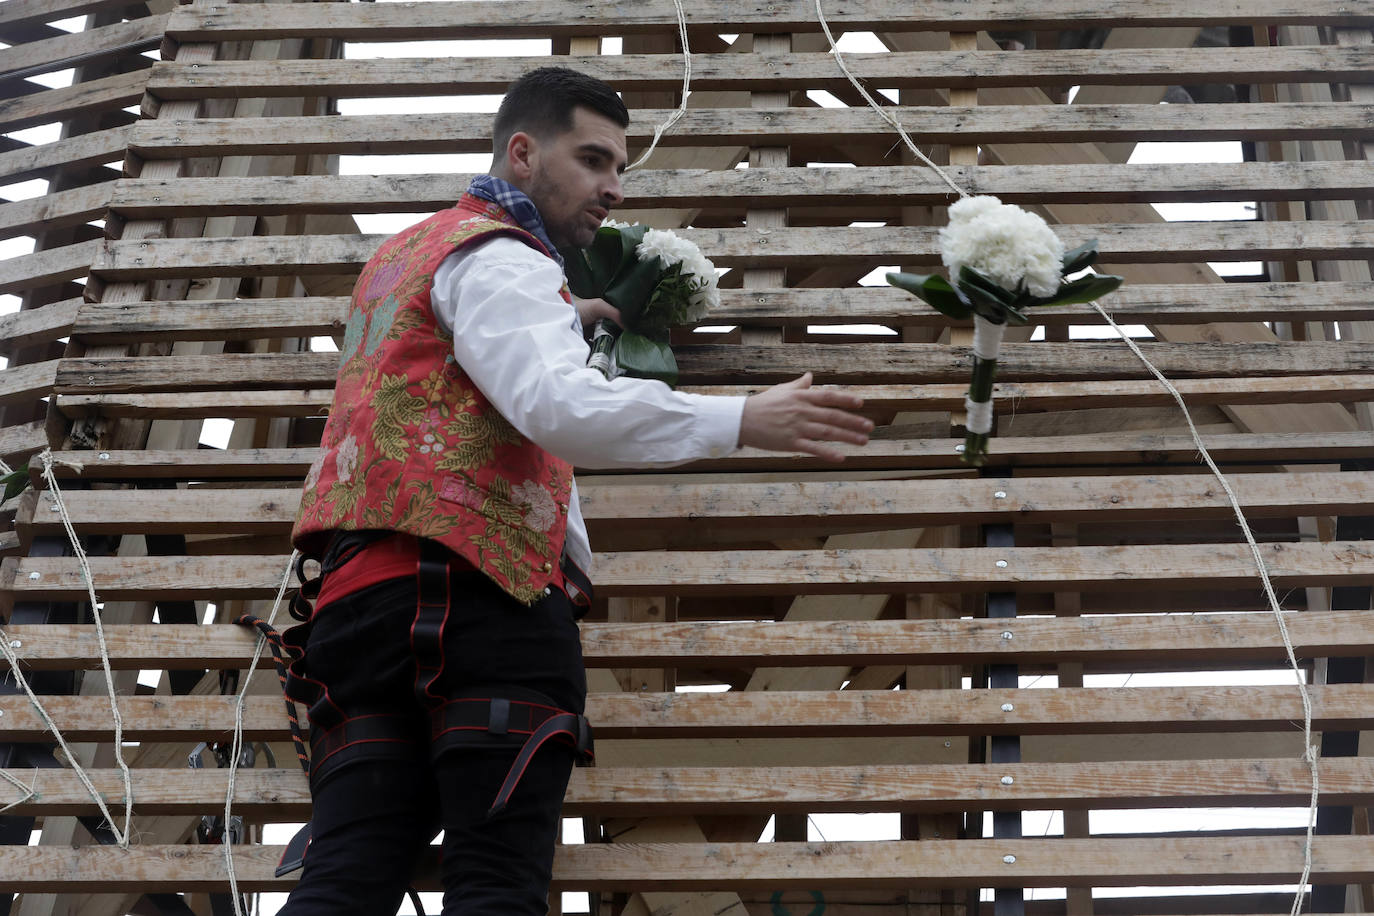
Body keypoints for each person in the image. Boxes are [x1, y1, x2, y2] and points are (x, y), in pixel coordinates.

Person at [277, 66, 872, 916]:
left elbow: (443, 386)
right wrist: (741, 418)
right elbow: (555, 405)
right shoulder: (503, 258)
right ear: (522, 153)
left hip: (355, 607)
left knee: (346, 879)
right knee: (497, 885)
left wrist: (565, 318)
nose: (612, 188)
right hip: (478, 602)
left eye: (618, 166)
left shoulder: (404, 256)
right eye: (593, 160)